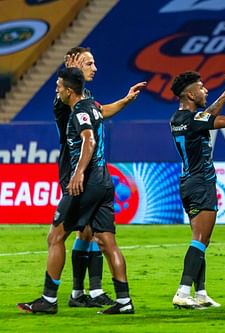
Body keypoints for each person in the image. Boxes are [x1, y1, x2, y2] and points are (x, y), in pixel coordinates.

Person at [17, 67, 136, 314]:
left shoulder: (80, 111)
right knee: (107, 241)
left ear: (69, 91)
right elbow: (104, 114)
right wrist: (126, 100)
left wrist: (79, 172)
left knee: (55, 237)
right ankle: (124, 302)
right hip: (104, 181)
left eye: (59, 87)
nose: (57, 91)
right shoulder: (92, 105)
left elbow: (89, 139)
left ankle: (48, 300)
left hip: (86, 183)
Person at [54, 47, 146, 307]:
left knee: (91, 233)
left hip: (91, 171)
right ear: (74, 67)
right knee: (77, 233)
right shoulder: (63, 98)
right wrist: (79, 171)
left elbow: (102, 111)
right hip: (75, 170)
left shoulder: (87, 98)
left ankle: (85, 292)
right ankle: (77, 292)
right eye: (89, 63)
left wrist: (126, 99)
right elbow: (85, 136)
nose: (95, 68)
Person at [170, 71, 225, 309]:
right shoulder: (192, 120)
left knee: (201, 239)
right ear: (190, 94)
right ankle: (182, 291)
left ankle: (200, 293)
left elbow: (206, 116)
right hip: (201, 183)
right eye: (201, 87)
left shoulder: (178, 119)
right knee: (200, 240)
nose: (205, 90)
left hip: (188, 183)